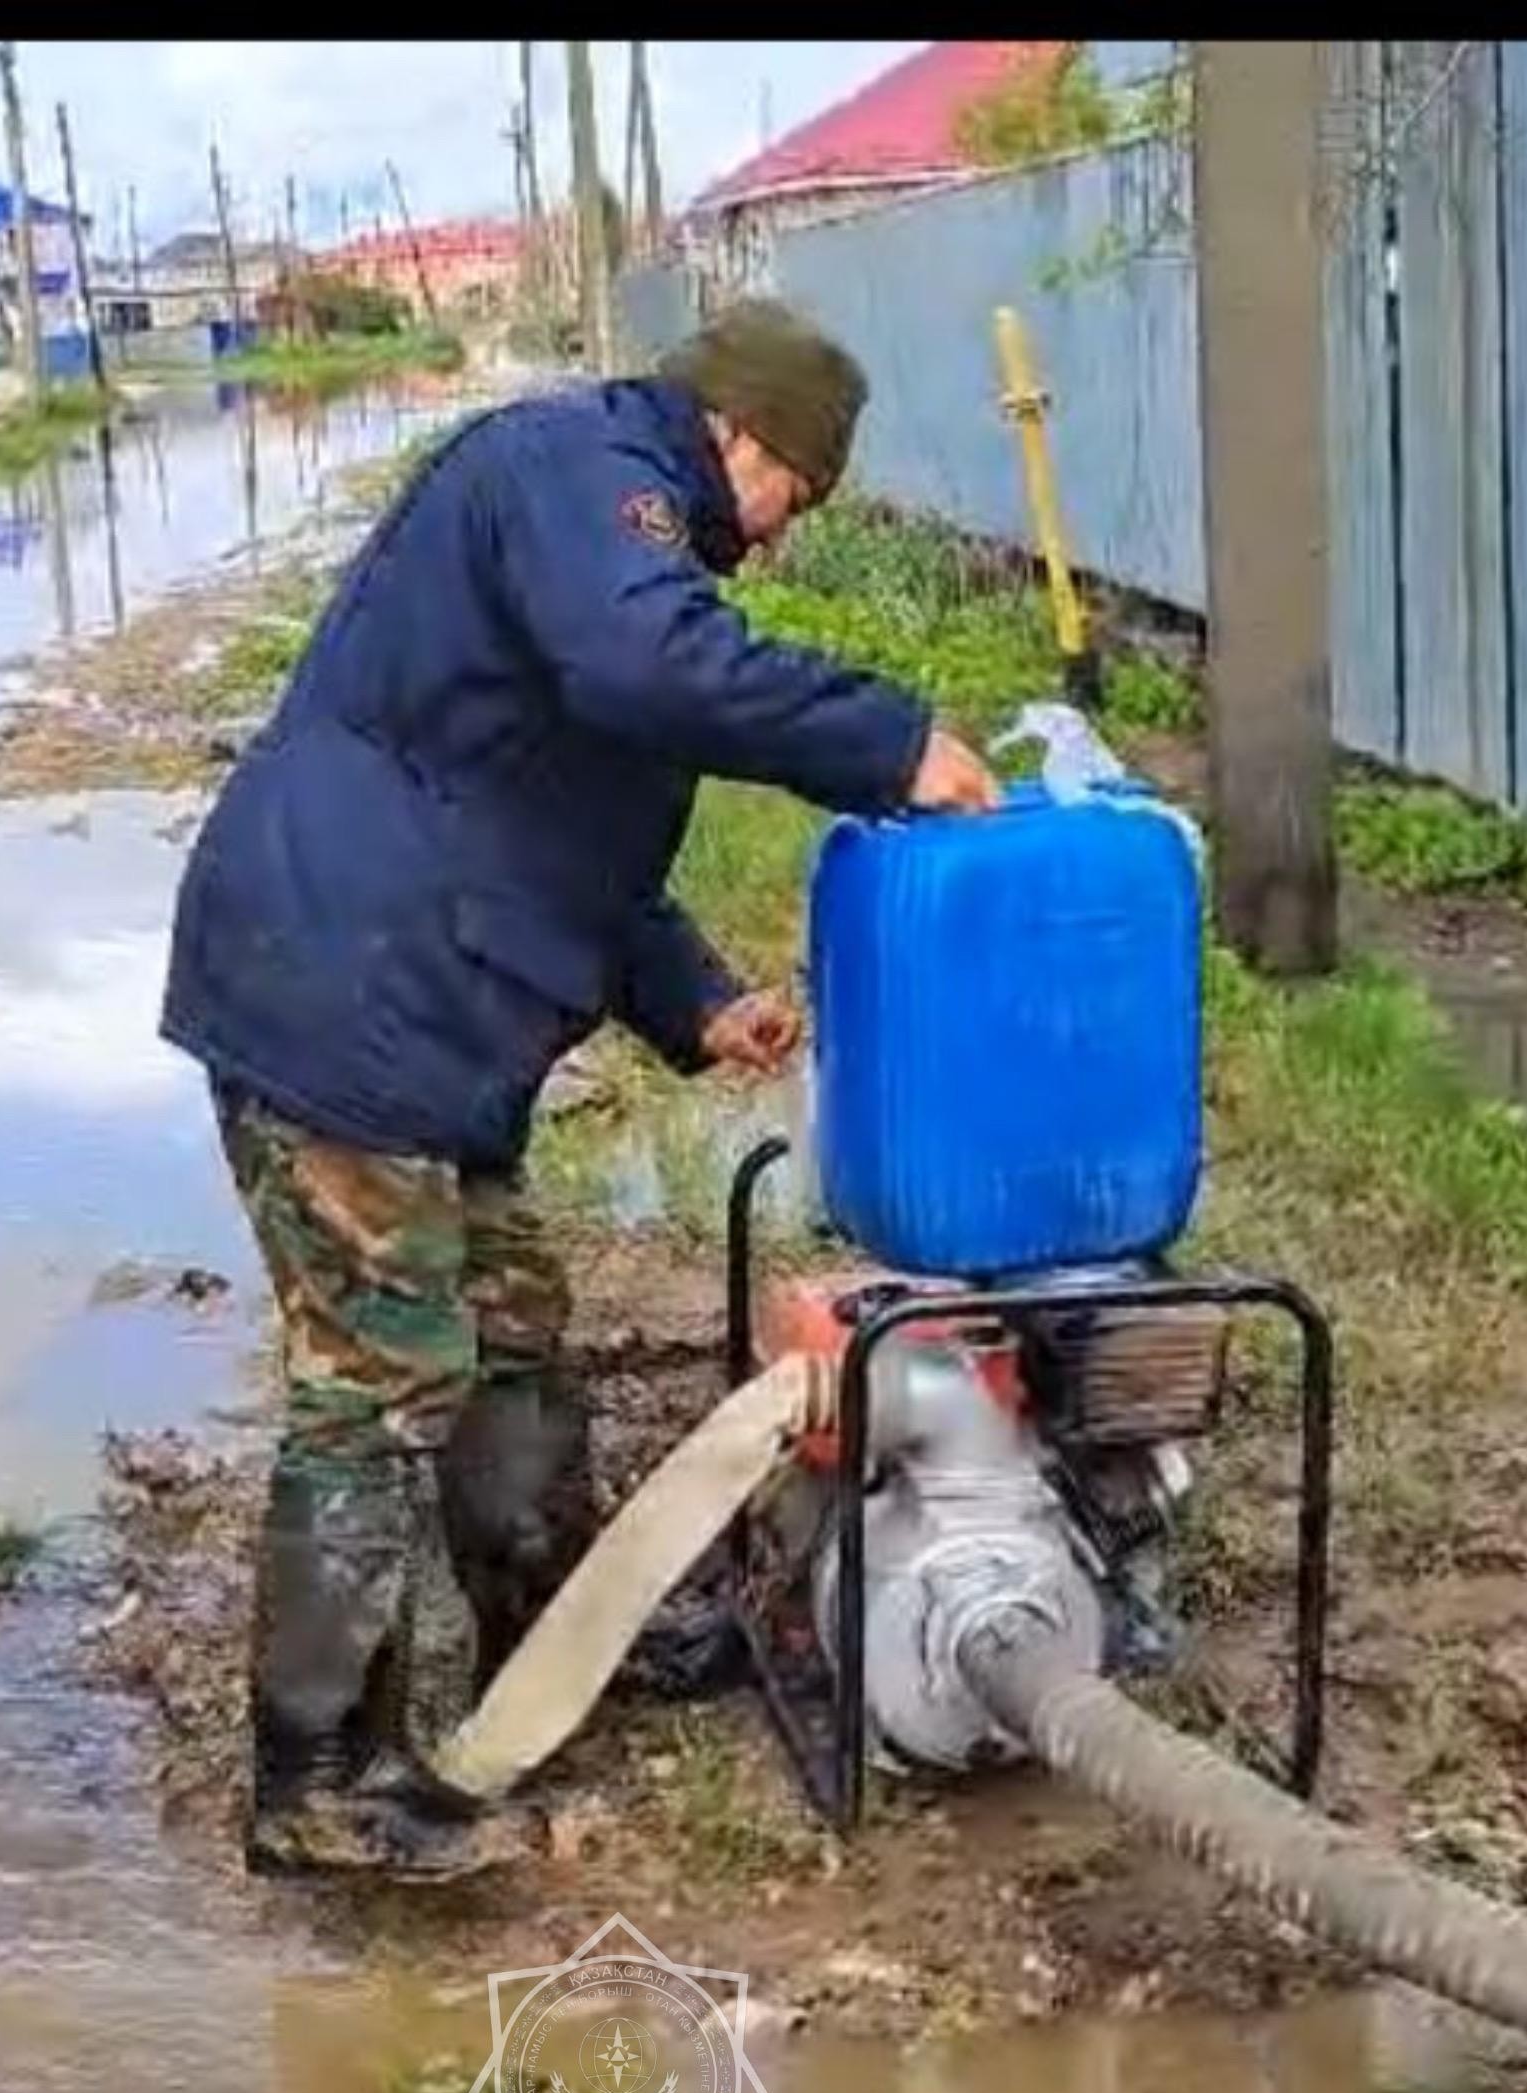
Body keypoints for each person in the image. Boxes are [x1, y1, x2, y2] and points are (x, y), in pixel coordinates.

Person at [159, 299, 1001, 1879]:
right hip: (344, 988)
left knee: (512, 1333)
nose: (781, 536)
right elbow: (642, 668)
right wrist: (891, 743)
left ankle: (561, 1643)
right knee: (387, 1368)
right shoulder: (574, 469)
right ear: (745, 438)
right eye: (796, 500)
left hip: (423, 1005)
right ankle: (317, 1775)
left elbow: (570, 827)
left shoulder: (615, 537)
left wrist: (699, 1005)